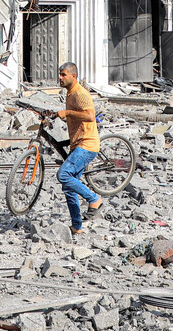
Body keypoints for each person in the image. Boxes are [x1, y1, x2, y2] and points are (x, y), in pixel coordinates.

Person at [52, 62, 102, 234]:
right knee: (68, 187)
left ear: (73, 76)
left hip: (87, 144)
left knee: (63, 174)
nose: (60, 77)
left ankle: (94, 199)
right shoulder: (69, 94)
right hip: (78, 143)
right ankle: (77, 226)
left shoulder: (80, 93)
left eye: (63, 74)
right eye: (60, 74)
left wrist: (67, 113)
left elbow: (90, 116)